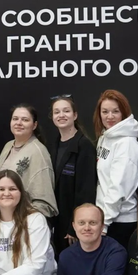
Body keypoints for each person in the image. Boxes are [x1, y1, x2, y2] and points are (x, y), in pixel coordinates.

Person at [94, 90, 138, 250]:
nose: (110, 116)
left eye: (115, 111)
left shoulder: (126, 144)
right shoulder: (105, 137)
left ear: (124, 113)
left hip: (120, 222)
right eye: (105, 112)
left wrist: (104, 223)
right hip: (105, 219)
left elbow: (118, 187)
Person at [47, 96, 96, 256]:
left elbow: (86, 191)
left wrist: (75, 226)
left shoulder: (84, 146)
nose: (61, 115)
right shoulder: (53, 146)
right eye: (57, 112)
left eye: (66, 111)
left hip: (73, 227)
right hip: (57, 222)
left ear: (75, 115)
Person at [0, 104, 58, 219]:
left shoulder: (38, 152)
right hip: (3, 217)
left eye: (25, 120)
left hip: (24, 220)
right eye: (15, 119)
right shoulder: (8, 146)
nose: (18, 123)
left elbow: (44, 203)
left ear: (34, 125)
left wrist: (25, 220)